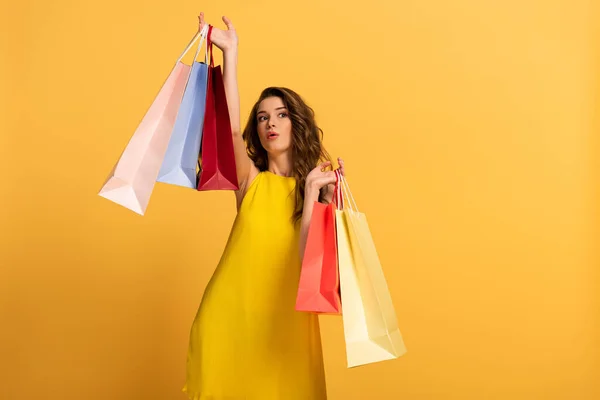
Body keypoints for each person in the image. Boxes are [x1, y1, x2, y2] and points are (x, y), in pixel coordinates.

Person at [182, 12, 346, 400]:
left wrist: (311, 197)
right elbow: (228, 120)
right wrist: (232, 55)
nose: (271, 123)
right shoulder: (250, 180)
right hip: (230, 322)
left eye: (281, 115)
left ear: (297, 123)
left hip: (286, 334)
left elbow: (311, 265)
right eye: (263, 118)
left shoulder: (319, 189)